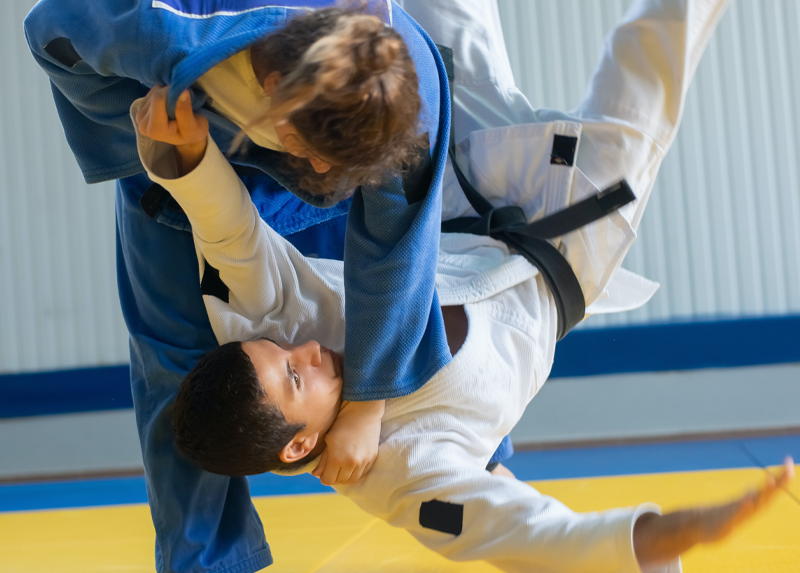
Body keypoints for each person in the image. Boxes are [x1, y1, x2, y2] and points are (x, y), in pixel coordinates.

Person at [131, 0, 796, 570]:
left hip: (461, 198)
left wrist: (187, 159)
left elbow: (231, 237)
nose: (302, 348)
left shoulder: (266, 331)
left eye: (280, 351)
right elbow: (531, 533)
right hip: (570, 238)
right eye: (295, 376)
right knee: (650, 54)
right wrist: (695, 528)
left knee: (429, 27)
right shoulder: (404, 476)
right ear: (300, 444)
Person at [25, 2, 464, 571]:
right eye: (314, 150)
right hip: (180, 143)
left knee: (371, 318)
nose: (321, 168)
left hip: (323, 164)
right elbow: (49, 28)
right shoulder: (164, 30)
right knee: (178, 362)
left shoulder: (409, 100)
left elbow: (397, 256)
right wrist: (143, 130)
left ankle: (482, 458)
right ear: (276, 87)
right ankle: (208, 562)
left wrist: (366, 405)